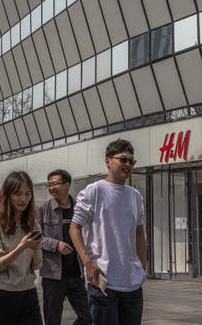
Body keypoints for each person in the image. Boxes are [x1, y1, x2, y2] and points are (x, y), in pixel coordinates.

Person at [70, 139, 147, 325]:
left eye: (131, 161)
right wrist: (88, 262)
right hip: (103, 282)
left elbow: (139, 233)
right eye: (123, 159)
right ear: (108, 161)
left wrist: (142, 266)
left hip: (132, 283)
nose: (128, 164)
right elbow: (74, 229)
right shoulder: (93, 192)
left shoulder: (135, 196)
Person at [0, 171, 43, 325]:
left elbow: (37, 265)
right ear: (7, 195)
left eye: (27, 194)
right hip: (3, 294)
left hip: (29, 294)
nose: (23, 199)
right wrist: (22, 247)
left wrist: (34, 248)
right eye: (17, 193)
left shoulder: (33, 224)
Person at [37, 169, 92, 325]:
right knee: (52, 320)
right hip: (53, 276)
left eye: (55, 184)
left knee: (88, 318)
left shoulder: (79, 208)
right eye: (49, 185)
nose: (51, 188)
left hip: (76, 274)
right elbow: (34, 238)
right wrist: (55, 245)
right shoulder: (43, 209)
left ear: (67, 185)